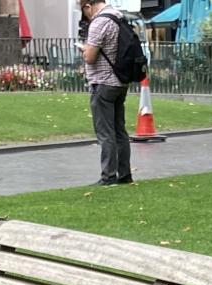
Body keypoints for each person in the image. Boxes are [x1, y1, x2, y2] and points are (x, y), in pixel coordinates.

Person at [79, 0, 133, 187]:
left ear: (88, 5)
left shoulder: (99, 22)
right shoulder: (119, 17)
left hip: (103, 82)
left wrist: (84, 49)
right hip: (121, 81)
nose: (86, 15)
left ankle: (108, 176)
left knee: (105, 133)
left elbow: (90, 57)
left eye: (84, 11)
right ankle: (124, 174)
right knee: (119, 130)